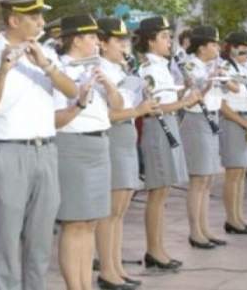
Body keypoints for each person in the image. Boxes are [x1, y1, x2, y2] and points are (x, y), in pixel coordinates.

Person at [0, 0, 77, 290]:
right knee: (7, 238)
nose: (42, 24)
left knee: (41, 237)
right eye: (35, 18)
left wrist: (44, 65)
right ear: (14, 21)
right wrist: (3, 71)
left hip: (44, 150)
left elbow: (73, 92)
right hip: (9, 152)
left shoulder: (42, 52)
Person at [53, 13, 123, 290]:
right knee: (74, 223)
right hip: (73, 145)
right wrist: (80, 98)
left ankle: (86, 284)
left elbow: (116, 106)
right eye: (92, 37)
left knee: (92, 221)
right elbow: (58, 114)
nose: (96, 41)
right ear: (77, 39)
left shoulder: (96, 67)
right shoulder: (62, 70)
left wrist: (107, 84)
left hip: (99, 143)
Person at [135, 16, 200, 269]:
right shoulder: (149, 68)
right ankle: (153, 250)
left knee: (164, 191)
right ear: (150, 41)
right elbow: (155, 107)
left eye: (169, 36)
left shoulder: (162, 65)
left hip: (168, 124)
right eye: (163, 37)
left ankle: (159, 247)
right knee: (158, 191)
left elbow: (168, 97)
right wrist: (185, 102)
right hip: (157, 127)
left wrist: (185, 92)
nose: (169, 41)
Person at [95, 17, 154, 289]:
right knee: (111, 209)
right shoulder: (99, 70)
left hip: (127, 135)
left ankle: (116, 266)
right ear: (102, 43)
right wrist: (138, 111)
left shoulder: (122, 69)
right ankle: (107, 270)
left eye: (126, 40)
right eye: (118, 41)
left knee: (121, 209)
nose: (124, 45)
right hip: (114, 135)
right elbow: (108, 112)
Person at [179, 25, 227, 249]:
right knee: (198, 179)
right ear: (202, 47)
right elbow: (196, 95)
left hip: (212, 117)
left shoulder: (211, 65)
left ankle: (205, 227)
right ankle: (195, 231)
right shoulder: (189, 65)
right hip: (197, 119)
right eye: (213, 44)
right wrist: (211, 79)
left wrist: (224, 76)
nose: (217, 48)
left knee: (209, 179)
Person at [219, 30, 247, 235]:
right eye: (243, 50)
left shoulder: (243, 69)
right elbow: (222, 104)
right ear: (233, 48)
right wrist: (242, 121)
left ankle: (239, 216)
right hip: (233, 121)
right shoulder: (225, 69)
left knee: (242, 172)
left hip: (245, 118)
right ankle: (231, 219)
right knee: (233, 174)